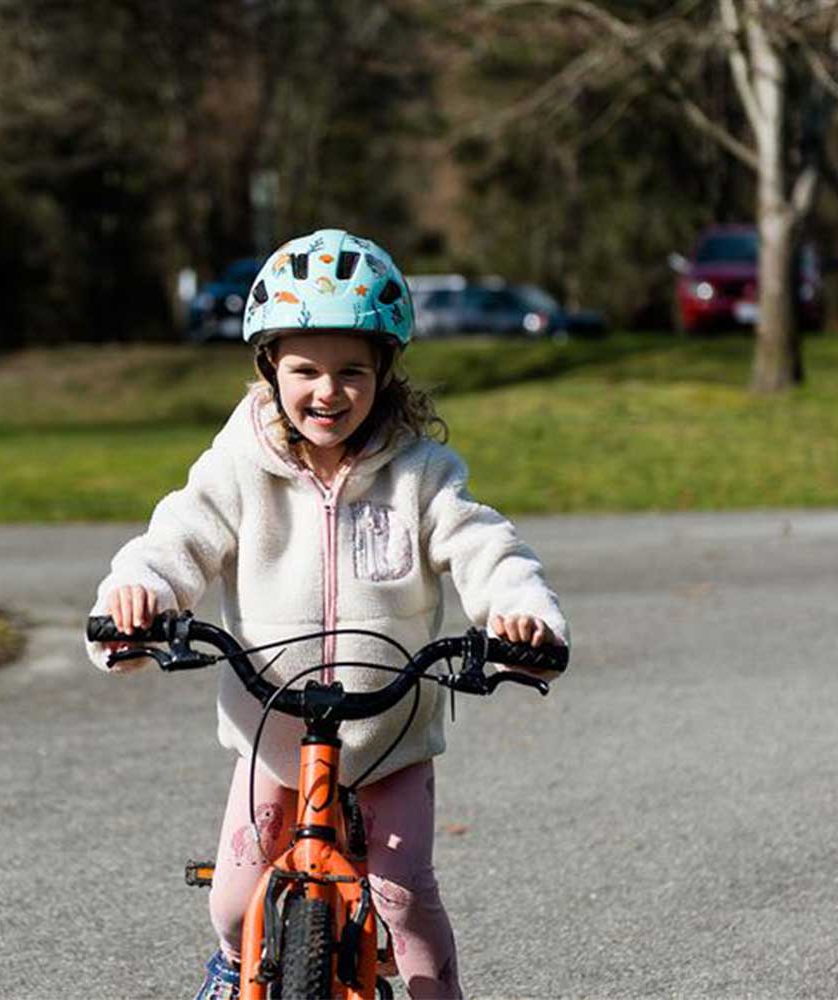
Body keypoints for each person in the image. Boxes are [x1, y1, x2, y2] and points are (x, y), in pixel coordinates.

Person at [85, 228, 570, 1000]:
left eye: (352, 371)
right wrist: (137, 596)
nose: (328, 392)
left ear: (385, 371)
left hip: (387, 738)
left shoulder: (420, 473)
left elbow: (485, 548)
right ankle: (231, 967)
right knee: (235, 901)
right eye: (305, 369)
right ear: (268, 367)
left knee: (404, 898)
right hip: (275, 735)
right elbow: (178, 535)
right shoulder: (240, 467)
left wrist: (519, 616)